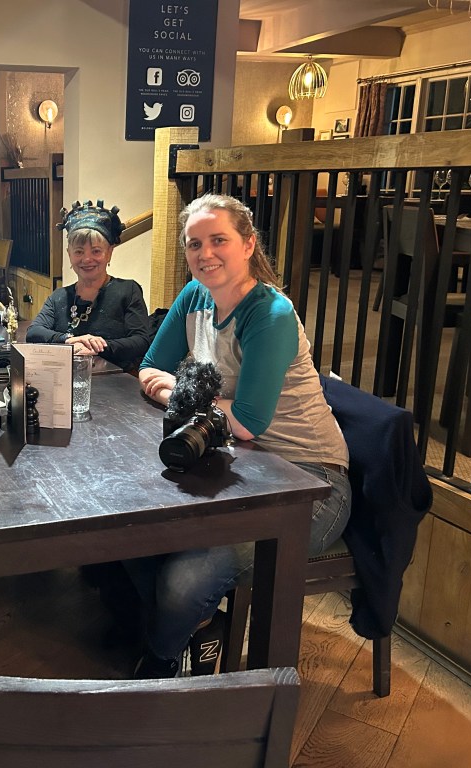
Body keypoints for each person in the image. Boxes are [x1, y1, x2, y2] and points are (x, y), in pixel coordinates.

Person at [130, 193, 351, 678]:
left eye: (219, 240)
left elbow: (248, 420)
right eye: (194, 244)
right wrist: (193, 398)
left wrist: (180, 392)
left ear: (248, 244)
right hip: (235, 461)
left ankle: (159, 666)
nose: (205, 253)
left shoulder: (270, 314)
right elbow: (148, 368)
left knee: (185, 579)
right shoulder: (194, 296)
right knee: (126, 535)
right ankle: (198, 629)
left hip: (310, 482)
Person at [26, 199, 151, 371]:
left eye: (96, 251)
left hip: (114, 380)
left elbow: (141, 341)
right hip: (64, 378)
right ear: (69, 254)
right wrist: (69, 340)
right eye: (79, 251)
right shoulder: (59, 296)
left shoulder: (128, 290)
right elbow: (34, 332)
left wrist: (98, 347)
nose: (86, 259)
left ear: (109, 253)